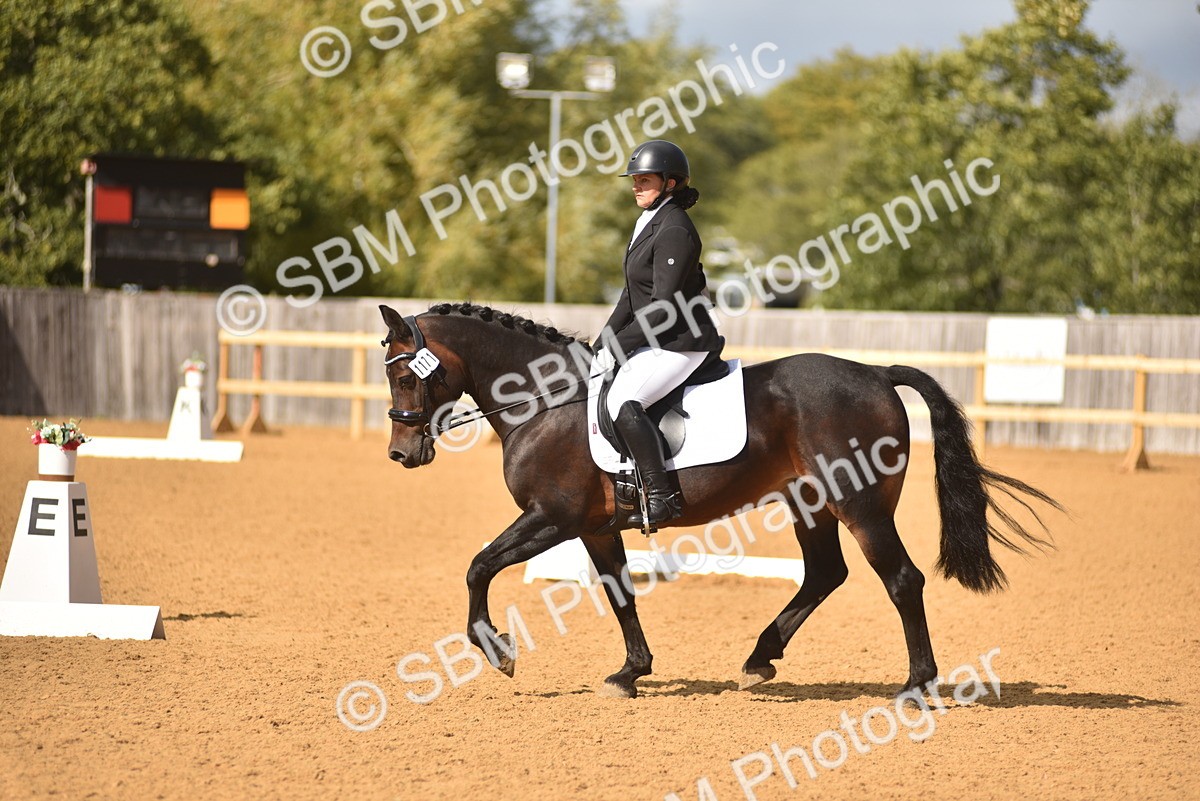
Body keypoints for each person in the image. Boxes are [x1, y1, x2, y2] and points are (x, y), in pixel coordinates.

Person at [592, 139, 725, 526]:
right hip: (658, 337)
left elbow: (664, 306)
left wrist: (620, 345)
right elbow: (632, 296)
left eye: (645, 179)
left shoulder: (675, 229)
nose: (636, 185)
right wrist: (603, 339)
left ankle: (660, 497)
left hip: (683, 341)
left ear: (670, 183)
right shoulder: (648, 221)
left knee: (624, 402)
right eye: (634, 179)